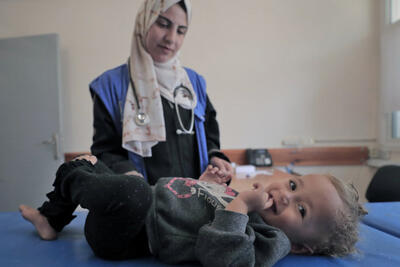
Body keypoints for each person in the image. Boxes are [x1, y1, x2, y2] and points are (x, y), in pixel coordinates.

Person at [19, 155, 366, 267]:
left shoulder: (271, 239)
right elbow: (193, 205)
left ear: (303, 246)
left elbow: (219, 253)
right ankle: (52, 217)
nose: (287, 197)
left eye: (302, 210)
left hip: (128, 234)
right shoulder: (253, 196)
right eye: (294, 186)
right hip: (142, 202)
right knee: (116, 162)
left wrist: (242, 204)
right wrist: (202, 183)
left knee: (123, 184)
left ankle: (76, 178)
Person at [89, 0, 233, 185]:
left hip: (196, 201)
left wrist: (215, 157)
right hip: (145, 204)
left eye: (181, 31)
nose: (171, 38)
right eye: (163, 24)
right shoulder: (110, 85)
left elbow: (209, 134)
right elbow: (105, 151)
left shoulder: (193, 83)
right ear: (145, 21)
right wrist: (127, 173)